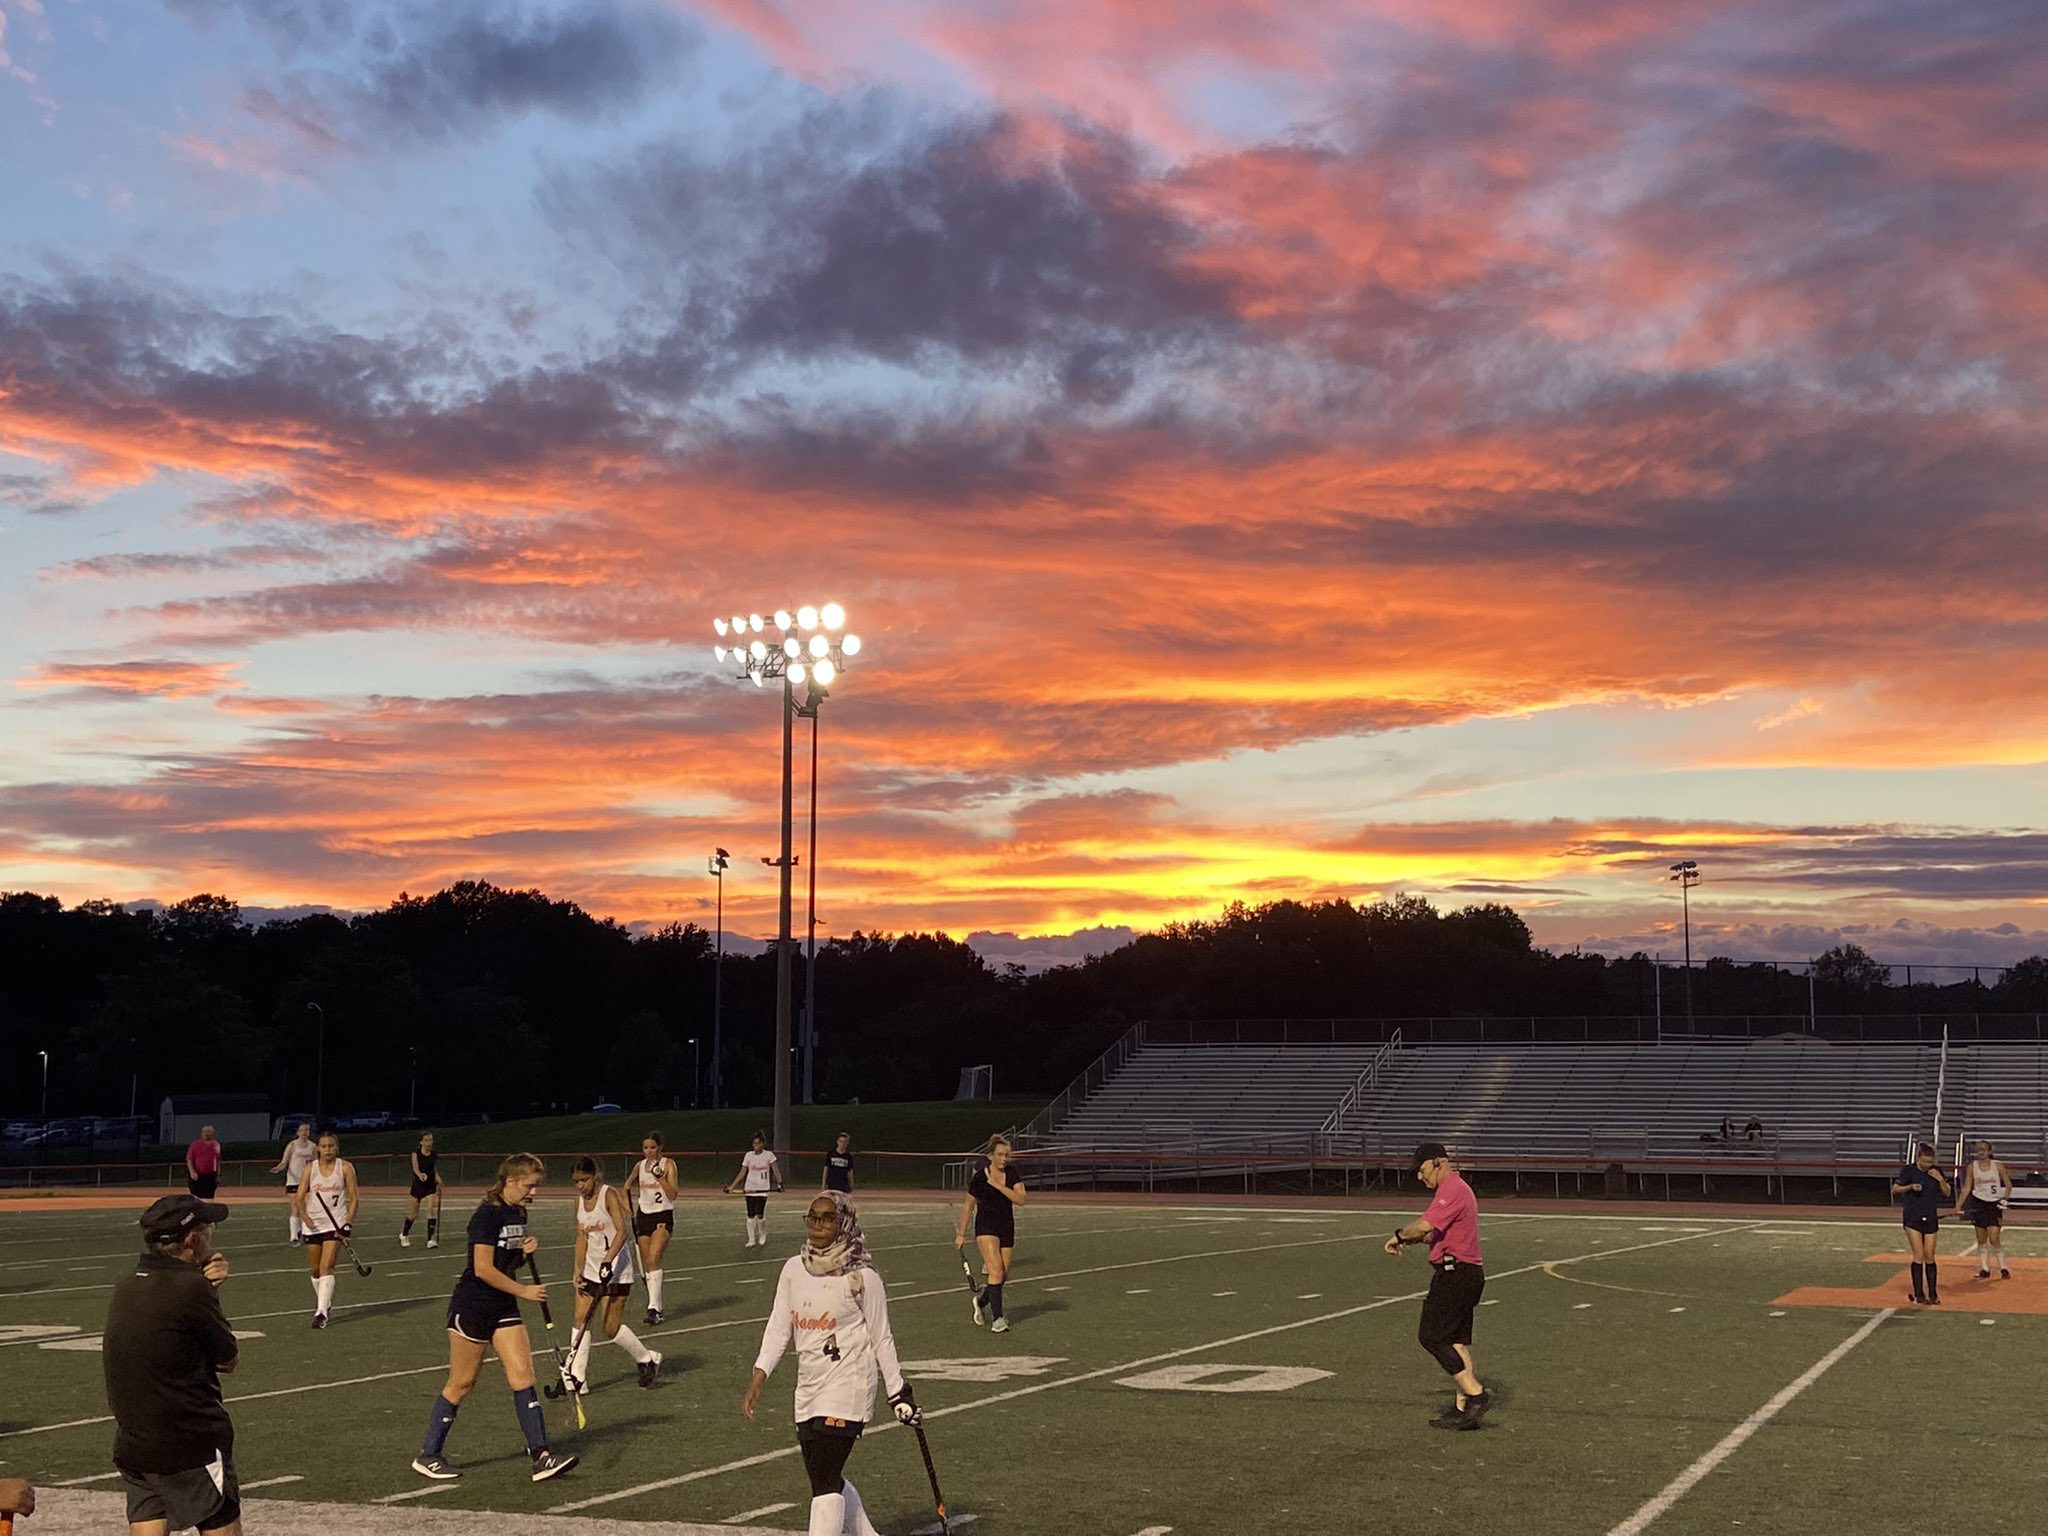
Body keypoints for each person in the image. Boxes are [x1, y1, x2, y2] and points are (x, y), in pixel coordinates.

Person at [740, 1191, 921, 1536]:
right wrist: (759, 1376)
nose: (818, 1225)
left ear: (844, 1222)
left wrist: (898, 1393)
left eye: (827, 1218)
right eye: (813, 1217)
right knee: (824, 1477)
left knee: (824, 1477)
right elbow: (779, 1325)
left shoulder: (862, 1277)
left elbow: (881, 1336)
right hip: (808, 1388)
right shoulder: (794, 1269)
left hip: (848, 1387)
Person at [411, 1152, 577, 1484]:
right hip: (473, 1306)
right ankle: (428, 1455)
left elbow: (507, 1261)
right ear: (511, 1181)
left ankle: (541, 1455)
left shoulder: (518, 1212)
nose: (533, 1192)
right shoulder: (486, 1215)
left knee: (523, 1375)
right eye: (529, 1185)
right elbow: (482, 1268)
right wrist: (523, 1291)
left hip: (503, 1306)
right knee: (462, 1383)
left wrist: (523, 1252)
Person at [104, 1193, 240, 1536]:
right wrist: (208, 1288)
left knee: (149, 1520)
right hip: (190, 1440)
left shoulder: (127, 1284)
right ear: (193, 1238)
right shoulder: (192, 1288)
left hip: (134, 1441)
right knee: (220, 1523)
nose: (211, 1236)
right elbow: (228, 1359)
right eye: (208, 1229)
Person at [1385, 1141, 1491, 1430]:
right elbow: (1434, 1236)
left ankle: (1476, 1394)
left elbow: (1424, 1226)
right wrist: (1412, 1239)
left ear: (1438, 1163)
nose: (1420, 1177)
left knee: (1431, 1336)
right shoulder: (1455, 1190)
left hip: (1456, 1273)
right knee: (1455, 1341)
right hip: (1466, 1273)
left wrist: (1400, 1235)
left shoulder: (1452, 1189)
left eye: (1422, 1170)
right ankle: (1464, 1410)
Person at [563, 1156, 662, 1393]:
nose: (580, 1186)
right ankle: (578, 1377)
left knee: (610, 1327)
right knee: (580, 1318)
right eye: (576, 1181)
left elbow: (622, 1232)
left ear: (595, 1176)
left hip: (616, 1270)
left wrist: (608, 1260)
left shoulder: (608, 1195)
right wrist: (578, 1269)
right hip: (591, 1268)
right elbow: (582, 1237)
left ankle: (646, 1358)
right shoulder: (578, 1202)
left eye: (584, 1180)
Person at [955, 1134, 1026, 1333]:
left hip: (1006, 1226)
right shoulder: (980, 1178)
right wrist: (961, 1233)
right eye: (1000, 1155)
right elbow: (968, 1206)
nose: (1004, 1159)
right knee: (995, 1270)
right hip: (986, 1227)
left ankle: (980, 1301)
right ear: (991, 1156)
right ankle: (998, 1319)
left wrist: (998, 1186)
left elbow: (1021, 1199)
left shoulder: (1012, 1174)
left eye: (1006, 1155)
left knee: (1002, 1274)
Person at [292, 1131, 358, 1329]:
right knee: (315, 1269)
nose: (328, 1150)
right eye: (324, 1146)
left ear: (336, 1148)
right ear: (318, 1149)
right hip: (313, 1224)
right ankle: (325, 1301)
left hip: (335, 1223)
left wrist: (347, 1223)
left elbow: (354, 1198)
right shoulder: (310, 1169)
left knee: (326, 1266)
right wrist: (305, 1217)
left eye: (331, 1146)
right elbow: (299, 1197)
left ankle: (321, 1313)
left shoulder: (345, 1167)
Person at [628, 1132, 680, 1323]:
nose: (649, 1151)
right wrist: (629, 1208)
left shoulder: (668, 1165)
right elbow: (626, 1186)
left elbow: (673, 1194)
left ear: (660, 1148)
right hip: (644, 1216)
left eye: (652, 1147)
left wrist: (660, 1177)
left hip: (662, 1215)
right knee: (648, 1263)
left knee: (654, 1258)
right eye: (645, 1148)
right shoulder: (639, 1166)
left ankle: (653, 1308)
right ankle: (656, 1307)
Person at [1892, 1142, 1951, 1305]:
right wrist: (1910, 1187)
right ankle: (1919, 1294)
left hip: (1930, 1216)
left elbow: (1947, 1193)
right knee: (1918, 1254)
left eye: (1930, 1162)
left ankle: (1933, 1293)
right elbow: (1895, 1189)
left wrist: (1940, 1180)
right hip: (1913, 1216)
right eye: (1924, 1161)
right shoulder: (1908, 1170)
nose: (1927, 1165)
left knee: (1929, 1254)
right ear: (1918, 1158)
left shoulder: (1936, 1171)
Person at [1956, 1139, 2014, 1281]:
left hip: (1993, 1204)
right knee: (1981, 1238)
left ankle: (2003, 1268)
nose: (1980, 1152)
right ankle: (1985, 1268)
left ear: (1989, 1151)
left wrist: (2005, 1199)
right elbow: (1967, 1187)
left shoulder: (1998, 1166)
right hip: (1978, 1203)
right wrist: (1959, 1205)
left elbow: (2008, 1185)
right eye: (1978, 1149)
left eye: (1983, 1149)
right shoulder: (1972, 1167)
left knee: (1994, 1238)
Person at [728, 1131, 783, 1249]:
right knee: (750, 1214)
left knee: (760, 1213)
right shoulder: (749, 1155)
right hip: (750, 1188)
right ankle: (751, 1239)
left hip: (762, 1189)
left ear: (763, 1144)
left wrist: (780, 1183)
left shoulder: (769, 1155)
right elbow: (743, 1171)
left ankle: (762, 1234)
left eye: (758, 1143)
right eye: (754, 1143)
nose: (755, 1145)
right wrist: (732, 1186)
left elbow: (775, 1169)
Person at [268, 1123, 316, 1244]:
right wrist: (278, 1168)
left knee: (305, 1208)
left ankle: (304, 1232)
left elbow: (315, 1164)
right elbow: (284, 1162)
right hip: (293, 1181)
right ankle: (294, 1236)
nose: (304, 1132)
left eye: (307, 1130)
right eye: (302, 1130)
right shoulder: (292, 1145)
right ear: (297, 1132)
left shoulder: (313, 1146)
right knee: (296, 1207)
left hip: (307, 1181)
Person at [401, 1132, 443, 1249]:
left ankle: (430, 1239)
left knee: (431, 1210)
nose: (429, 1143)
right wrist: (420, 1175)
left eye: (431, 1140)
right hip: (418, 1185)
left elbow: (433, 1168)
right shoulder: (416, 1154)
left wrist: (438, 1178)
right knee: (413, 1214)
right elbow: (415, 1168)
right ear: (421, 1142)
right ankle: (404, 1234)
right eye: (426, 1140)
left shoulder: (434, 1154)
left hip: (431, 1185)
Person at [185, 1124, 222, 1200]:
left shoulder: (216, 1145)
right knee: (197, 1198)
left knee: (209, 1197)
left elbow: (217, 1160)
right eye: (205, 1131)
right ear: (202, 1133)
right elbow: (189, 1160)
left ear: (213, 1133)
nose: (207, 1133)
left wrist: (218, 1175)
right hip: (198, 1175)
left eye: (209, 1132)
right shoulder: (195, 1145)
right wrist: (192, 1172)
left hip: (211, 1176)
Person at [822, 1132, 855, 1196]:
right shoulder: (831, 1154)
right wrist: (824, 1184)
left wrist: (851, 1183)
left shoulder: (848, 1156)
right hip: (832, 1185)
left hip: (843, 1186)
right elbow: (826, 1169)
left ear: (847, 1143)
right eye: (841, 1141)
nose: (842, 1144)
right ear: (837, 1142)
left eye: (845, 1142)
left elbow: (850, 1172)